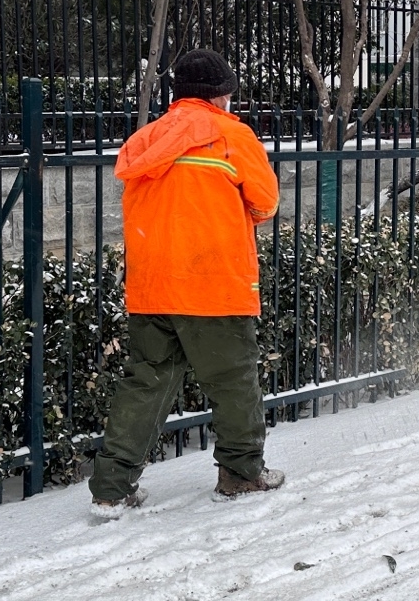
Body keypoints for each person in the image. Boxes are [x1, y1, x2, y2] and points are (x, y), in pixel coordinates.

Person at [89, 49, 283, 516]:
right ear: (220, 96)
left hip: (152, 285)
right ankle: (241, 473)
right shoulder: (232, 136)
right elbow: (266, 203)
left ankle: (111, 489)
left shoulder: (145, 140)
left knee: (146, 383)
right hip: (214, 282)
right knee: (234, 382)